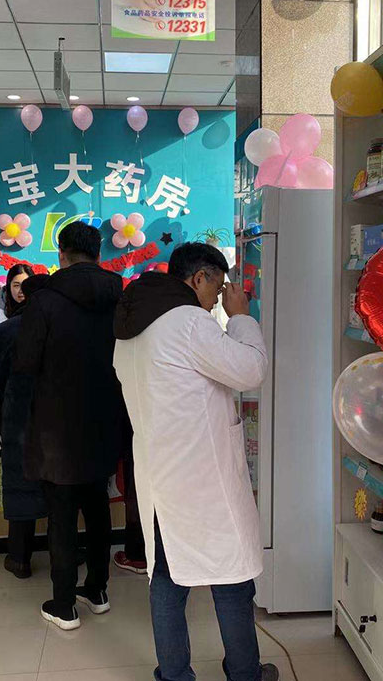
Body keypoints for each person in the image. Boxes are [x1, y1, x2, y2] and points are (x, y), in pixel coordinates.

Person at [113, 243, 277, 681]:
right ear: (199, 278)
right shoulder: (187, 321)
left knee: (168, 581)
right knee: (232, 580)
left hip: (159, 477)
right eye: (218, 288)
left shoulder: (131, 329)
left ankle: (174, 674)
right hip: (204, 479)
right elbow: (250, 370)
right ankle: (245, 672)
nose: (218, 299)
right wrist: (240, 317)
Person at [14, 222, 129, 631]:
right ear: (98, 253)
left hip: (56, 426)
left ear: (61, 253)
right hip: (106, 418)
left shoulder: (45, 301)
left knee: (61, 516)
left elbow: (25, 363)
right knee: (98, 508)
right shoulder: (119, 296)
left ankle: (64, 605)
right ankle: (97, 590)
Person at [0, 275, 50, 579]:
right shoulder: (62, 329)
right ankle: (66, 554)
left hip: (18, 417)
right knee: (59, 487)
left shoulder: (6, 330)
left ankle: (20, 558)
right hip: (59, 419)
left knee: (20, 482)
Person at [0, 264, 32, 353]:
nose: (21, 290)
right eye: (16, 285)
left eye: (26, 284)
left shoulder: (41, 311)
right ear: (9, 287)